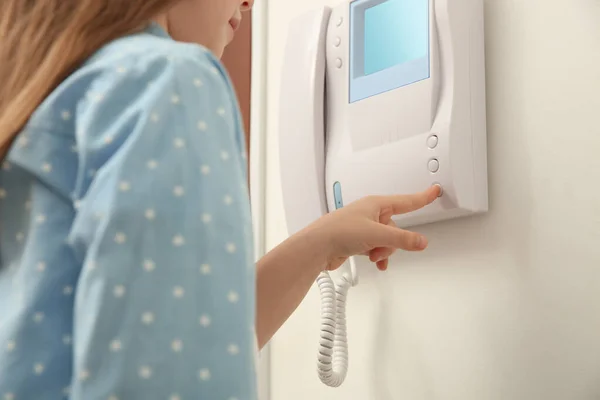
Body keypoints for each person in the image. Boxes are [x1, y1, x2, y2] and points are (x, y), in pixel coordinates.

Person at [0, 0, 440, 398]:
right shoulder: (168, 81)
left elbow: (181, 336)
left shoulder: (41, 108)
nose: (249, 3)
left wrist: (321, 241)